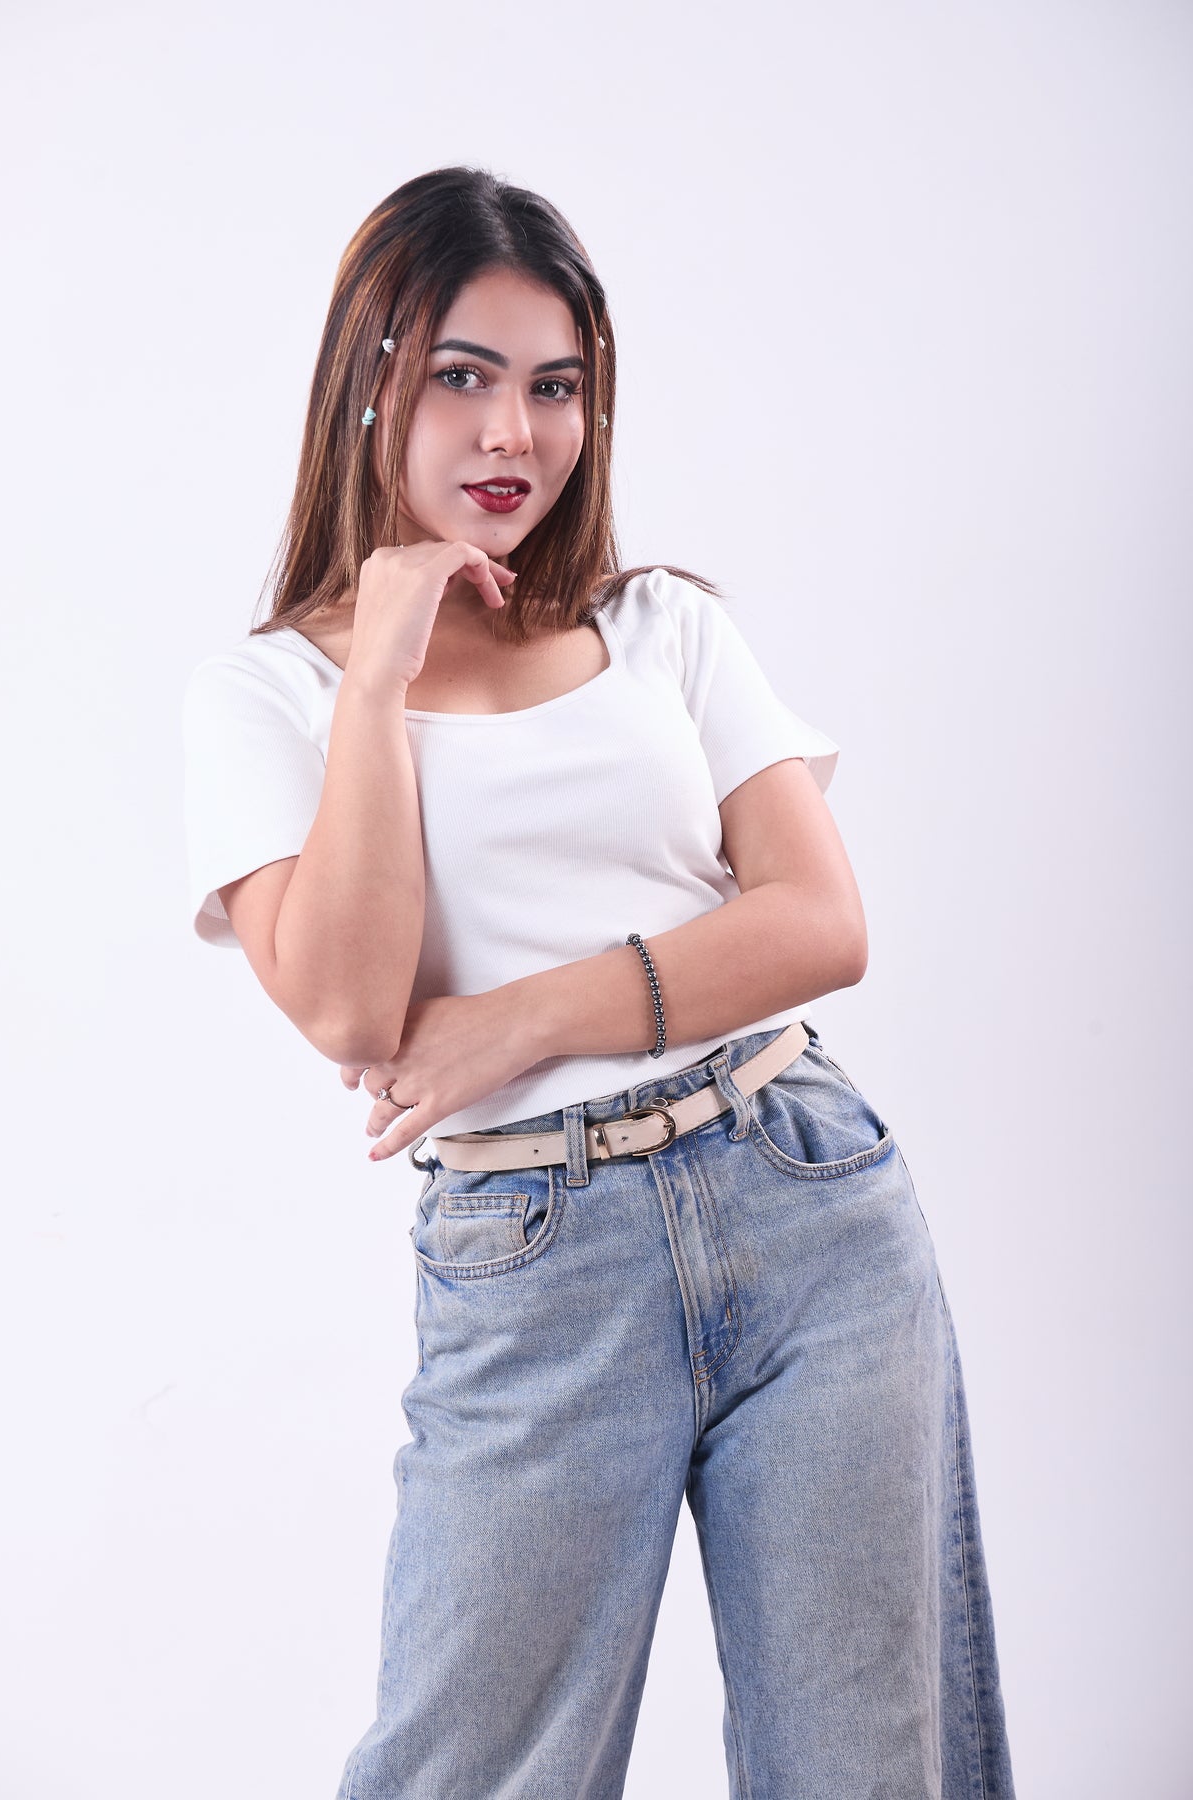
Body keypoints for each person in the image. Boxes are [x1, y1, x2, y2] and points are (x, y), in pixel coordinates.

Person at [182, 166, 1016, 1800]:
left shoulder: (663, 627)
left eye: (555, 387)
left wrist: (524, 1016)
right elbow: (350, 1009)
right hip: (536, 1259)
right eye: (464, 377)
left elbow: (820, 922)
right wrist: (383, 673)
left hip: (808, 1196)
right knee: (469, 1767)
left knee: (869, 1762)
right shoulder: (265, 694)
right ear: (372, 386)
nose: (516, 435)